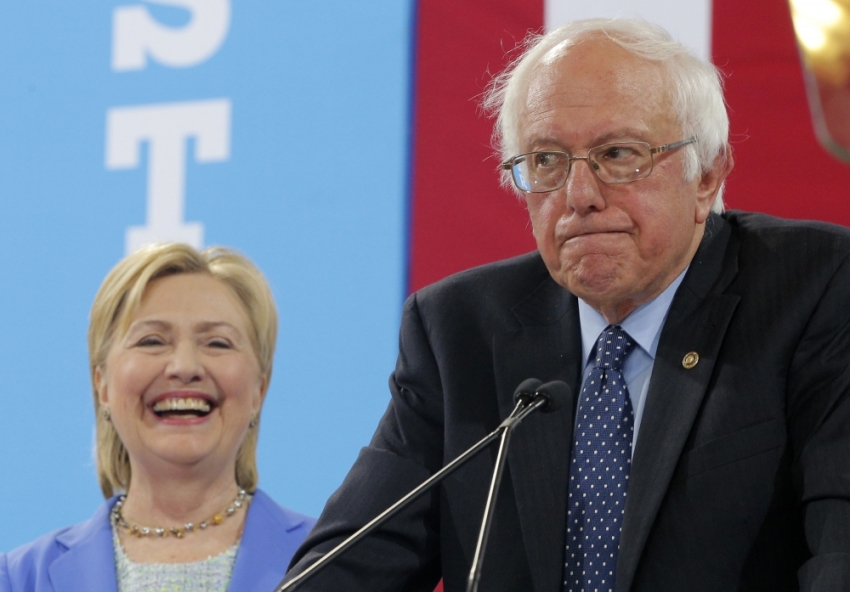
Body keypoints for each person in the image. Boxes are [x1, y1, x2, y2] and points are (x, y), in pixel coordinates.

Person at [283, 18, 850, 592]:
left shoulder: (815, 289)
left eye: (619, 153)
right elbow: (349, 564)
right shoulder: (459, 332)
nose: (580, 196)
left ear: (706, 175)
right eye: (548, 161)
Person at [0, 243, 314, 592]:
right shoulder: (19, 578)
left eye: (218, 343)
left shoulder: (335, 561)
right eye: (152, 341)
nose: (185, 367)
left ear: (260, 387)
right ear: (101, 384)